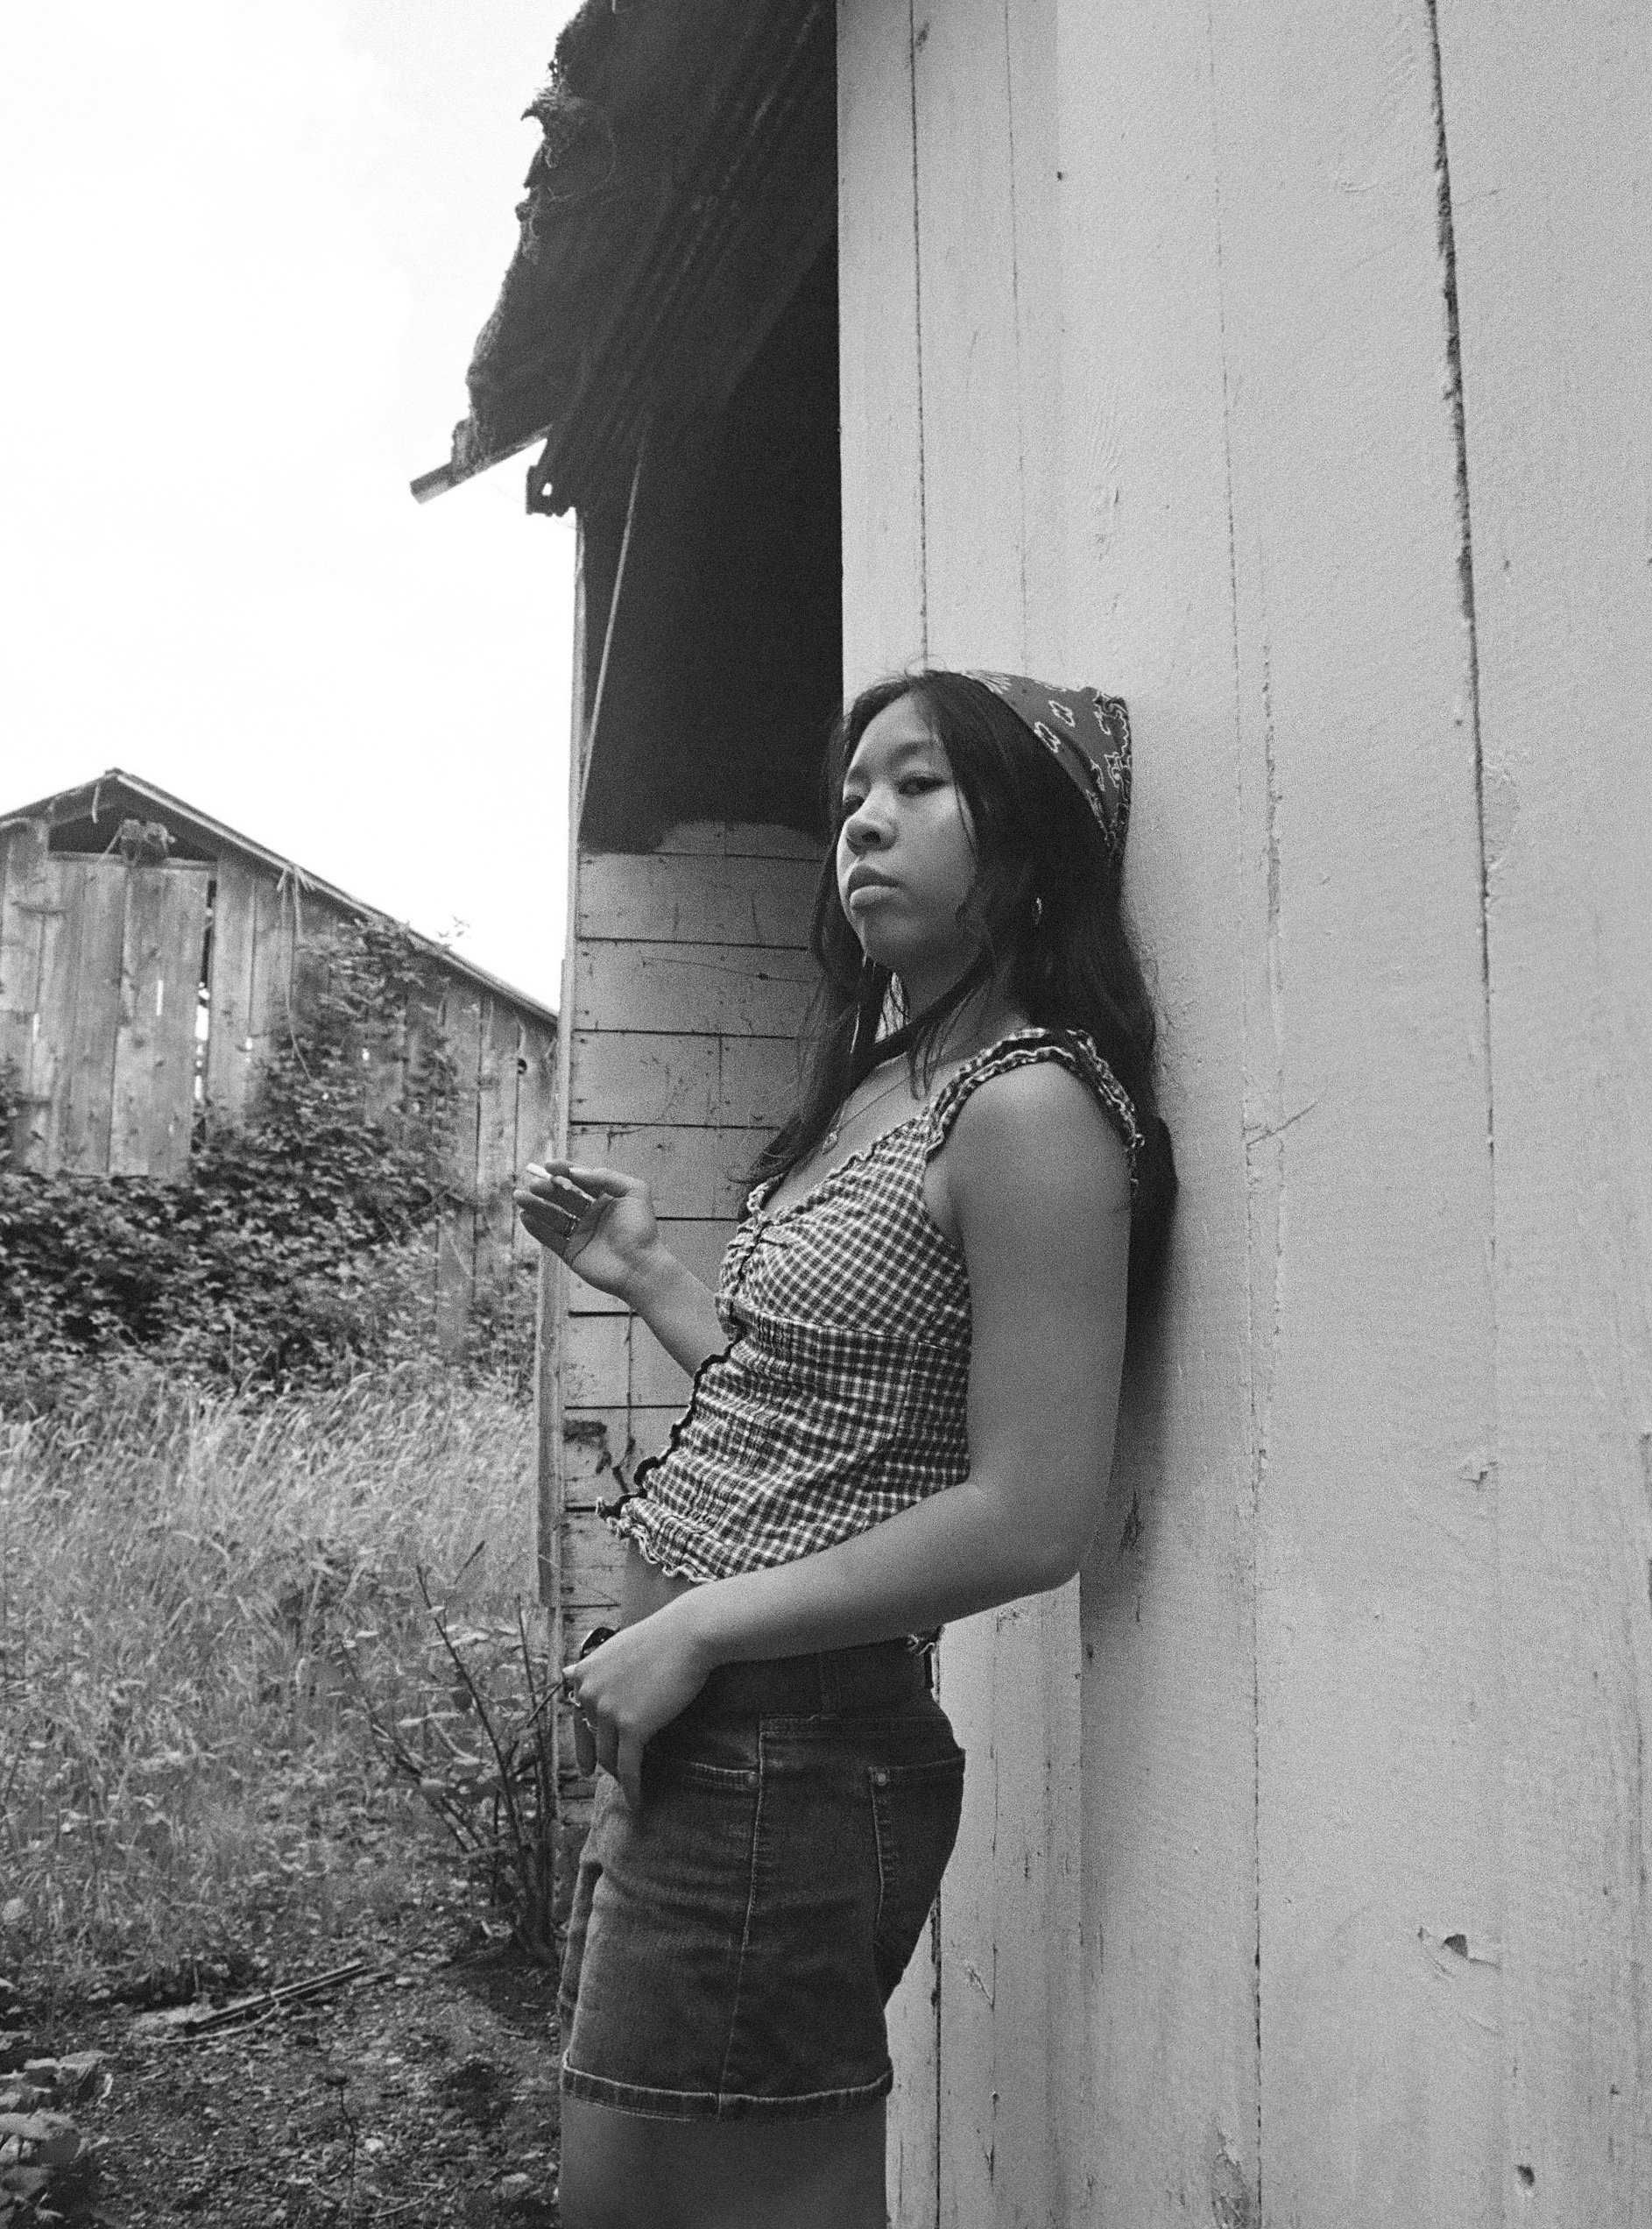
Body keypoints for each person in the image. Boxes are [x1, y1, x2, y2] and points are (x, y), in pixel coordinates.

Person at [515, 669, 1175, 2229]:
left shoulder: (1032, 1110)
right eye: (852, 794)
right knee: (647, 2202)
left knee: (686, 2207)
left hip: (788, 1746)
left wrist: (698, 1627)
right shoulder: (883, 1087)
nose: (863, 823)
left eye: (918, 785)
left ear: (1034, 841)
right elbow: (819, 1413)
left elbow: (1033, 1515)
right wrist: (650, 1277)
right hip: (711, 1734)